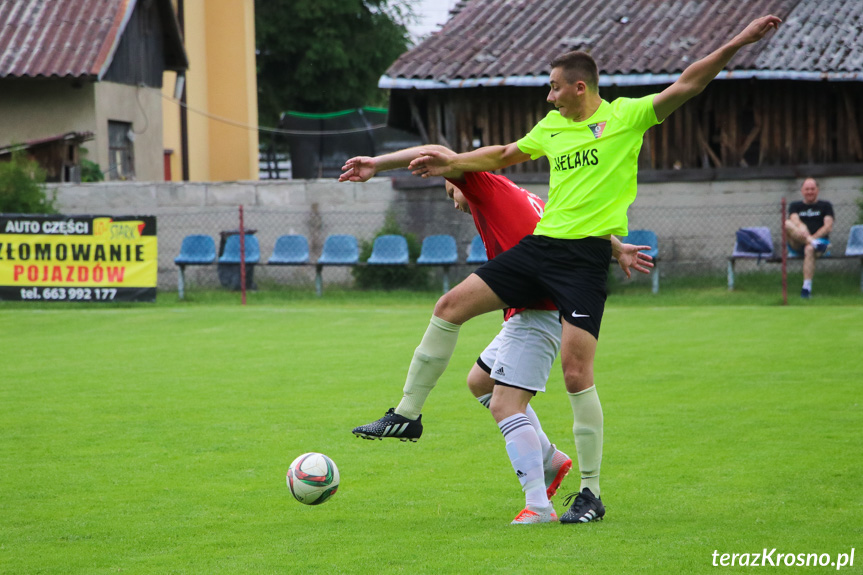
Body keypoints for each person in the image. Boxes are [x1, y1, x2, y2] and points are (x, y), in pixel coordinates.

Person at [356, 14, 782, 525]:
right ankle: (407, 415)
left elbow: (690, 82)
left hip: (582, 262)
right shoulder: (552, 127)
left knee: (577, 375)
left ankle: (590, 493)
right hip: (541, 248)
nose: (549, 96)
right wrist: (451, 166)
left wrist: (739, 39)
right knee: (449, 306)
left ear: (580, 87)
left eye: (555, 87)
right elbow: (504, 153)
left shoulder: (627, 117)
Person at [340, 146, 653, 523]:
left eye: (450, 192)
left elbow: (439, 152)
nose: (455, 201)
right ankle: (550, 459)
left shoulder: (480, 183)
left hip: (538, 312)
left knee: (504, 400)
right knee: (480, 381)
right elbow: (571, 230)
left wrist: (376, 163)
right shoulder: (527, 198)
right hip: (527, 307)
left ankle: (537, 505)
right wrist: (616, 248)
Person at [784, 178, 834, 299]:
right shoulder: (795, 206)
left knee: (809, 249)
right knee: (787, 223)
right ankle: (813, 243)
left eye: (812, 189)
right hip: (797, 242)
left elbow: (828, 227)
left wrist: (813, 238)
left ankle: (806, 288)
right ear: (802, 191)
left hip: (819, 243)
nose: (810, 192)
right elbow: (794, 220)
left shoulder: (825, 206)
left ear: (817, 190)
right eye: (807, 189)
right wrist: (804, 230)